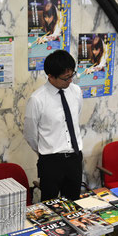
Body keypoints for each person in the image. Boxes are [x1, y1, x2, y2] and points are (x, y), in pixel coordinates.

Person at [24, 50, 84, 201]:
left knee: (74, 204)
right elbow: (30, 134)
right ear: (50, 76)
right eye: (65, 78)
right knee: (49, 205)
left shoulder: (76, 91)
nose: (70, 81)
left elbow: (75, 117)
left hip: (74, 158)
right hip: (51, 162)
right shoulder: (37, 99)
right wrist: (45, 151)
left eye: (72, 75)